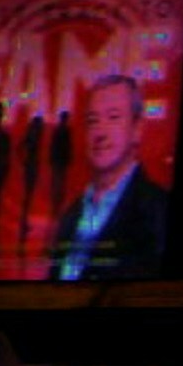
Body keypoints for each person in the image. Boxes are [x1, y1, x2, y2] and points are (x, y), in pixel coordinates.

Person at [50, 73, 168, 280]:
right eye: (93, 120)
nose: (100, 133)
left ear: (137, 129)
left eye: (113, 118)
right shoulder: (71, 216)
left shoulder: (159, 211)